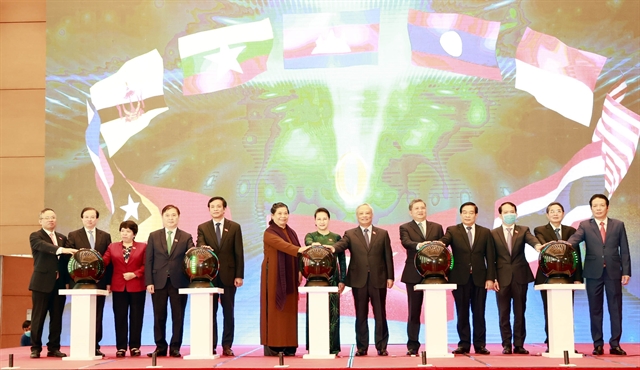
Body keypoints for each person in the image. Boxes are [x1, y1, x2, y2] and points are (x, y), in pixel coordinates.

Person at [566, 194, 631, 356]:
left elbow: (624, 249)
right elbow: (574, 240)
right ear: (591, 208)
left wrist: (626, 271)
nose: (599, 208)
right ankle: (598, 344)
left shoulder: (618, 225)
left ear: (607, 207)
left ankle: (615, 344)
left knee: (615, 309)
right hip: (593, 272)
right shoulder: (585, 225)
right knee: (595, 309)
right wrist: (561, 245)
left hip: (614, 272)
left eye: (601, 205)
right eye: (595, 206)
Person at [333, 204, 394, 357]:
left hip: (378, 279)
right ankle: (362, 347)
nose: (364, 216)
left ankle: (382, 347)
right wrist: (332, 248)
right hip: (358, 280)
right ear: (357, 216)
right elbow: (342, 244)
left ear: (372, 215)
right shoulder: (350, 233)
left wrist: (390, 276)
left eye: (367, 213)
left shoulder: (382, 233)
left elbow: (388, 256)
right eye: (361, 213)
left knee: (380, 314)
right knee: (361, 314)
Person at [440, 202, 495, 355]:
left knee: (479, 313)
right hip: (459, 278)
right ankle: (463, 344)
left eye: (471, 212)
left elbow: (490, 257)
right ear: (461, 214)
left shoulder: (485, 232)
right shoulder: (452, 230)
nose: (468, 215)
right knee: (462, 312)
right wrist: (438, 244)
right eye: (465, 212)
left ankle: (480, 344)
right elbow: (443, 242)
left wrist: (490, 277)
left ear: (476, 215)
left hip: (480, 278)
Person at [196, 196, 245, 357]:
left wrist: (239, 275)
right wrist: (202, 247)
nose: (216, 209)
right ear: (209, 209)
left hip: (229, 275)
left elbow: (239, 253)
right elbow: (200, 245)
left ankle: (227, 345)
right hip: (209, 276)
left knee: (228, 312)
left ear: (224, 209)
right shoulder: (202, 227)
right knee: (211, 311)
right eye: (212, 207)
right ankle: (211, 344)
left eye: (219, 206)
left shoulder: (234, 227)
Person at [490, 201, 541, 355]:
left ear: (516, 214)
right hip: (501, 278)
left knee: (520, 312)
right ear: (500, 215)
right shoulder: (493, 233)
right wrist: (493, 278)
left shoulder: (523, 230)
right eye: (506, 212)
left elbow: (532, 240)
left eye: (512, 211)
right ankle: (506, 344)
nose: (509, 214)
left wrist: (538, 246)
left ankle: (519, 344)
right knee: (503, 313)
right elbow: (491, 258)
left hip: (520, 277)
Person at [145, 205, 194, 358]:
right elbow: (149, 260)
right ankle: (160, 347)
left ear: (178, 217)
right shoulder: (153, 236)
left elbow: (190, 255)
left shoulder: (186, 236)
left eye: (174, 215)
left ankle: (175, 347)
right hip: (158, 281)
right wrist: (149, 282)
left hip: (179, 282)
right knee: (159, 316)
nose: (171, 218)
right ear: (163, 217)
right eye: (168, 215)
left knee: (177, 316)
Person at [260, 202, 309, 356]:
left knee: (289, 311)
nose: (283, 216)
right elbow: (283, 246)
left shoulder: (291, 232)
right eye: (279, 214)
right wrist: (299, 250)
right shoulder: (269, 233)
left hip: (290, 276)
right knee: (275, 310)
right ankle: (274, 346)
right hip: (273, 278)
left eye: (285, 213)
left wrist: (300, 270)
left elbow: (298, 254)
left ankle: (289, 345)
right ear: (272, 216)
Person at [28, 208, 77, 358]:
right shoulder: (36, 236)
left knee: (57, 318)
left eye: (53, 217)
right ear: (40, 220)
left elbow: (67, 261)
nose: (51, 220)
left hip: (59, 283)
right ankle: (35, 348)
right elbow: (45, 247)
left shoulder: (62, 237)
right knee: (39, 317)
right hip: (41, 283)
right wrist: (62, 250)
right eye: (48, 217)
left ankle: (54, 347)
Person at [533, 202, 580, 352]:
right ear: (547, 215)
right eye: (552, 211)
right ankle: (551, 343)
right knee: (550, 310)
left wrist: (578, 277)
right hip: (547, 277)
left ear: (563, 213)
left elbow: (576, 256)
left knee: (567, 311)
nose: (555, 214)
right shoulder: (540, 230)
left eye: (558, 211)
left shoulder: (572, 231)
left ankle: (568, 344)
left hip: (568, 278)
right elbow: (545, 246)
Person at [399, 199, 443, 356]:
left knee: (435, 310)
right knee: (414, 311)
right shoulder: (405, 227)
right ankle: (412, 345)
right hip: (413, 273)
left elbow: (442, 247)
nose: (420, 211)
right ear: (411, 212)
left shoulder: (437, 227)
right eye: (416, 208)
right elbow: (406, 243)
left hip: (435, 273)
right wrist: (422, 245)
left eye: (422, 208)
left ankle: (437, 343)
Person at [67, 207, 112, 357]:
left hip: (99, 282)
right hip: (79, 283)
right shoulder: (73, 236)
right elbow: (69, 261)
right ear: (82, 218)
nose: (90, 219)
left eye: (92, 217)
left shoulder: (105, 236)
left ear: (97, 219)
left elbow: (109, 261)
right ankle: (79, 344)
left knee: (97, 314)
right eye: (86, 217)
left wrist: (108, 282)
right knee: (81, 314)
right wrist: (69, 281)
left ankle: (95, 345)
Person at [304, 207, 347, 355]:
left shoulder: (336, 238)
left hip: (333, 280)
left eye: (324, 218)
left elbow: (342, 260)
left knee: (333, 314)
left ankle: (333, 347)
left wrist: (342, 279)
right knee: (314, 313)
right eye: (319, 219)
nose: (322, 221)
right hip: (315, 281)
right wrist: (314, 244)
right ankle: (314, 346)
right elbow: (307, 243)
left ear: (329, 220)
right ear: (315, 221)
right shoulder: (311, 236)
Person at [101, 220, 146, 357]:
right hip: (119, 287)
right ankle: (121, 347)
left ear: (134, 234)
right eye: (122, 231)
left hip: (137, 286)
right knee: (120, 317)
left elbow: (146, 265)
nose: (124, 234)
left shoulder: (143, 247)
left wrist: (135, 274)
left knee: (136, 317)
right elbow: (104, 262)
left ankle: (134, 346)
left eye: (128, 231)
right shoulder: (112, 247)